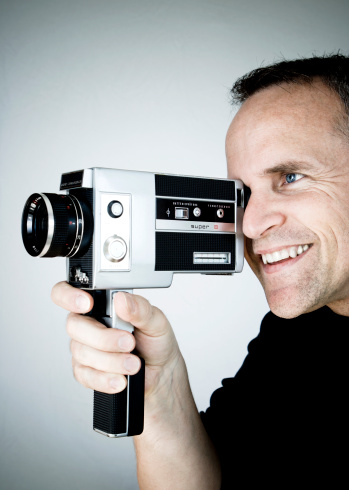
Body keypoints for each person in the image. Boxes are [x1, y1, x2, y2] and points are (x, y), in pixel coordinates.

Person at [51, 53, 349, 488]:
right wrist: (159, 387)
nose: (248, 225)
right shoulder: (292, 335)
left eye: (290, 178)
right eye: (242, 194)